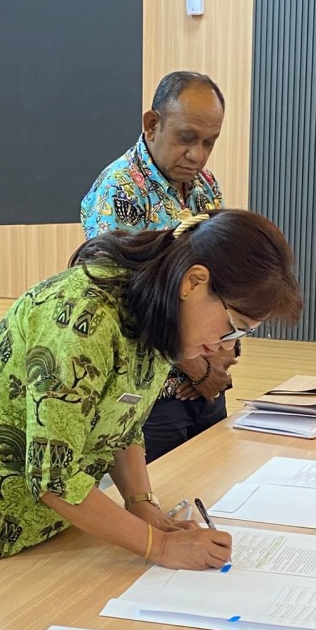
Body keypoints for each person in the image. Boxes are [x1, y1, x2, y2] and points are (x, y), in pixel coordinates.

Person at [0, 209, 303, 597]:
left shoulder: (158, 312)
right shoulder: (83, 318)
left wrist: (142, 506)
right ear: (194, 282)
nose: (223, 346)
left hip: (47, 530)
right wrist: (160, 547)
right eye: (232, 327)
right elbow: (53, 478)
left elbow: (121, 422)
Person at [80, 70, 237, 462]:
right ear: (152, 124)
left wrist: (222, 354)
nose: (197, 154)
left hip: (207, 380)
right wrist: (197, 369)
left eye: (209, 142)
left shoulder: (205, 185)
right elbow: (129, 302)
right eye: (187, 138)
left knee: (216, 487)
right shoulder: (118, 191)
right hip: (149, 397)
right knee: (159, 495)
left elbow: (221, 278)